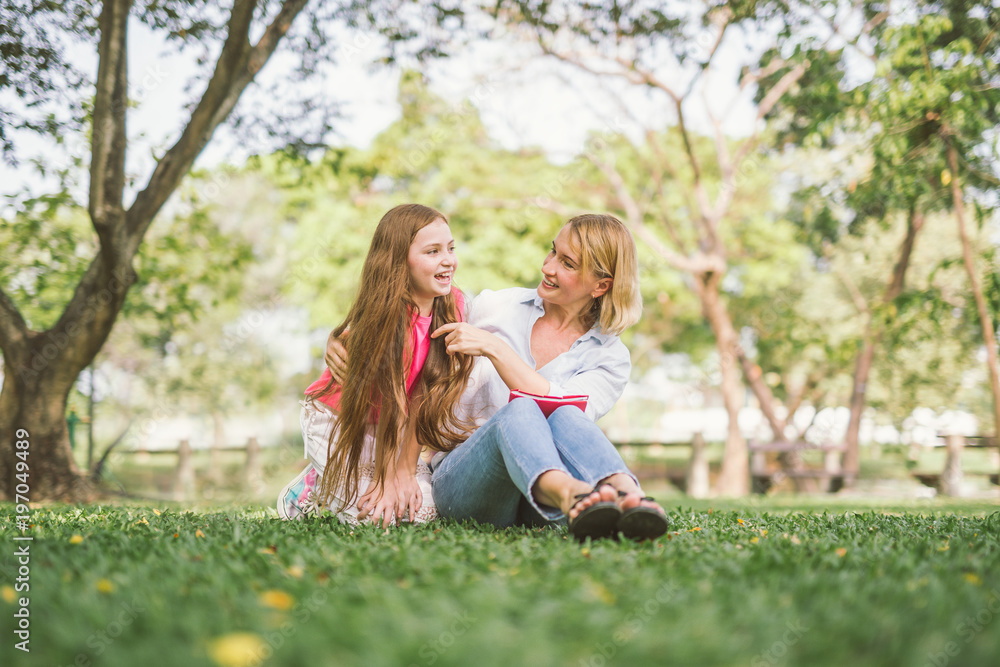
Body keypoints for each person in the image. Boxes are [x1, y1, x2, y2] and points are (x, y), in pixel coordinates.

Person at [330, 213, 669, 541]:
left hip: (538, 506)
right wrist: (341, 337)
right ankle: (573, 494)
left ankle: (628, 495)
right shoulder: (495, 307)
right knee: (520, 410)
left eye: (567, 263)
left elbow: (567, 417)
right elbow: (410, 324)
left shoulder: (610, 358)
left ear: (601, 285)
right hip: (468, 484)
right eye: (554, 251)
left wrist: (496, 348)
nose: (547, 267)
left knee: (565, 410)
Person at [276, 204, 475, 527]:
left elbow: (420, 397)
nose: (448, 260)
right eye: (432, 251)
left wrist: (403, 471)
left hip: (394, 429)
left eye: (450, 248)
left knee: (419, 511)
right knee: (377, 517)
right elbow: (393, 405)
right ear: (400, 261)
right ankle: (310, 491)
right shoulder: (390, 319)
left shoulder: (455, 304)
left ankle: (331, 479)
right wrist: (384, 482)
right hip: (340, 421)